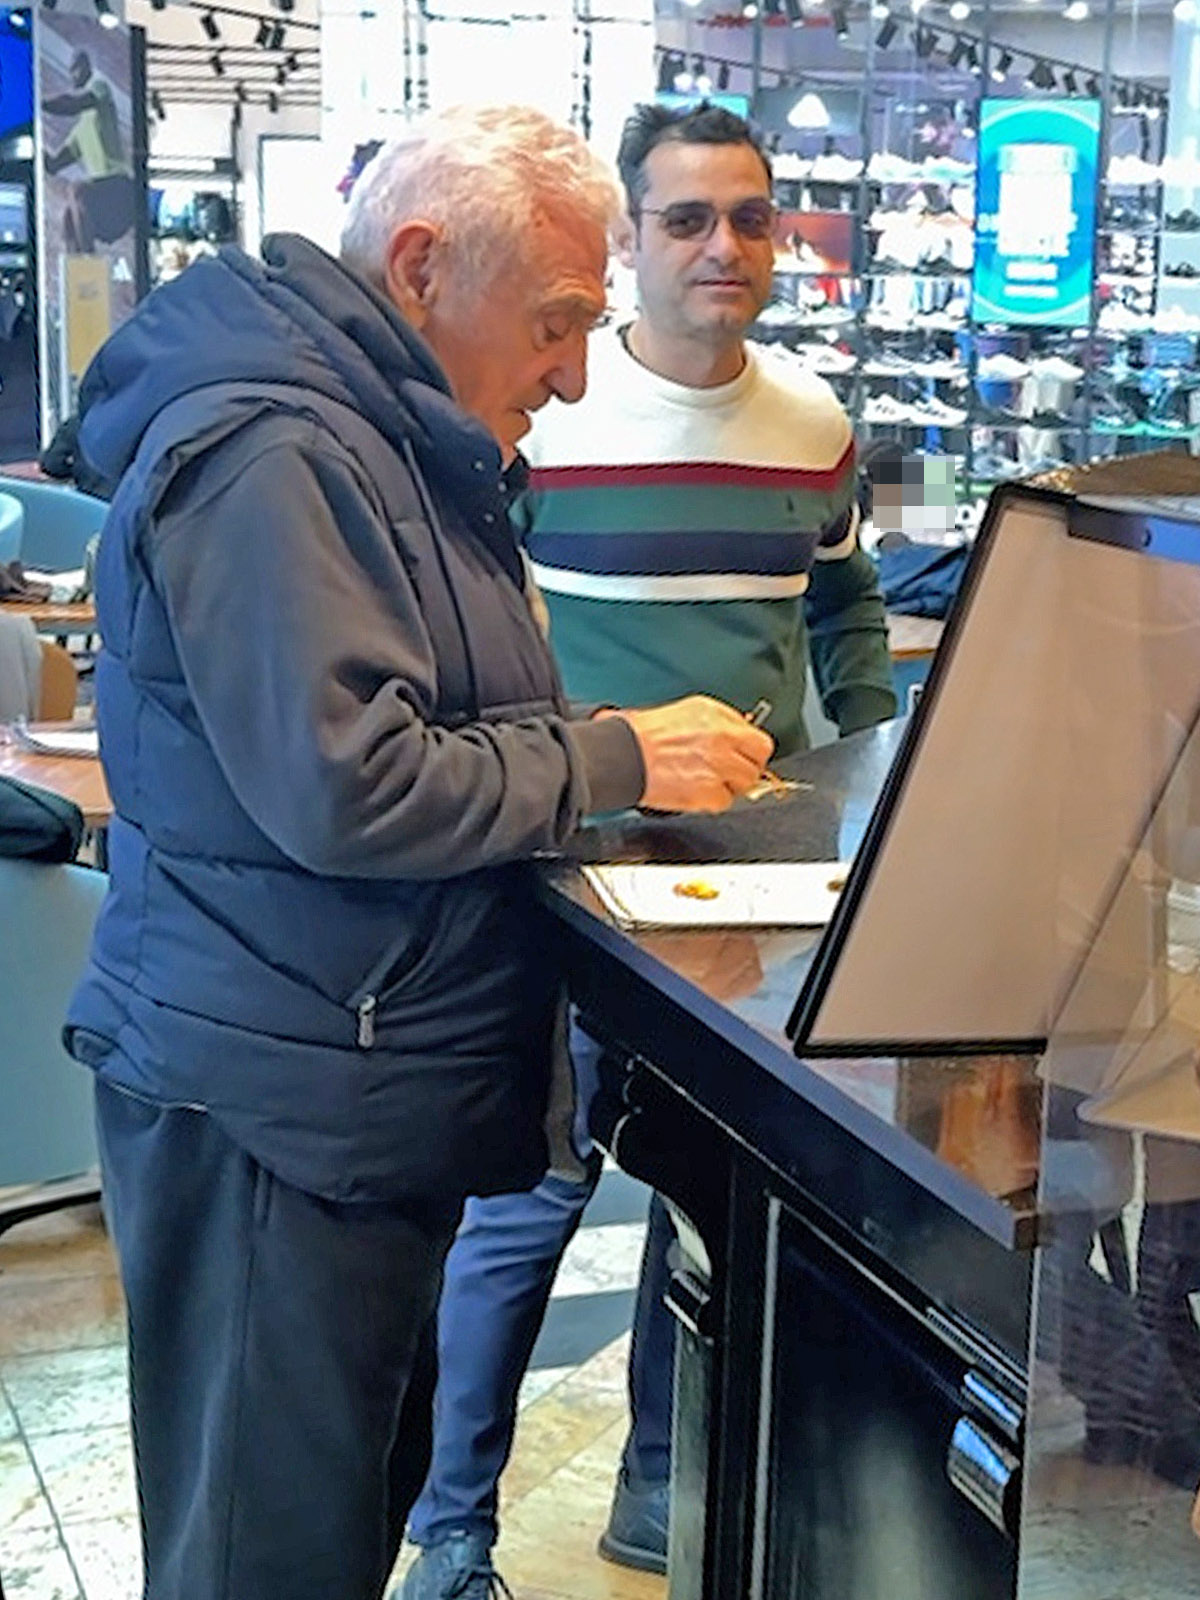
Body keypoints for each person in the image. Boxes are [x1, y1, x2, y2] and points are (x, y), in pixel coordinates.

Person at [63, 104, 773, 1600]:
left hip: (344, 1075)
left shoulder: (373, 436)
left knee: (326, 1533)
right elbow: (351, 783)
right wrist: (610, 759)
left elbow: (413, 715)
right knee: (264, 1558)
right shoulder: (274, 451)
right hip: (282, 1100)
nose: (574, 373)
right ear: (420, 265)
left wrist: (580, 743)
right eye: (557, 321)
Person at [403, 102, 896, 1599]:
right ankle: (450, 1530)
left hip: (749, 890)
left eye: (749, 217)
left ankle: (660, 1494)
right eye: (685, 219)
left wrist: (873, 761)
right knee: (528, 1196)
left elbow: (846, 608)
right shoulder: (552, 406)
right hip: (562, 872)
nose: (722, 247)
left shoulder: (813, 426)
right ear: (631, 240)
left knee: (714, 1188)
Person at [43, 50, 136, 253]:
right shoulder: (79, 133)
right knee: (68, 218)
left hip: (120, 189)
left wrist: (40, 103)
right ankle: (77, 267)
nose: (73, 75)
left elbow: (72, 104)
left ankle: (88, 259)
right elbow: (53, 165)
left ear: (87, 68)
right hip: (102, 206)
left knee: (78, 190)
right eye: (71, 71)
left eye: (76, 69)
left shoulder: (99, 89)